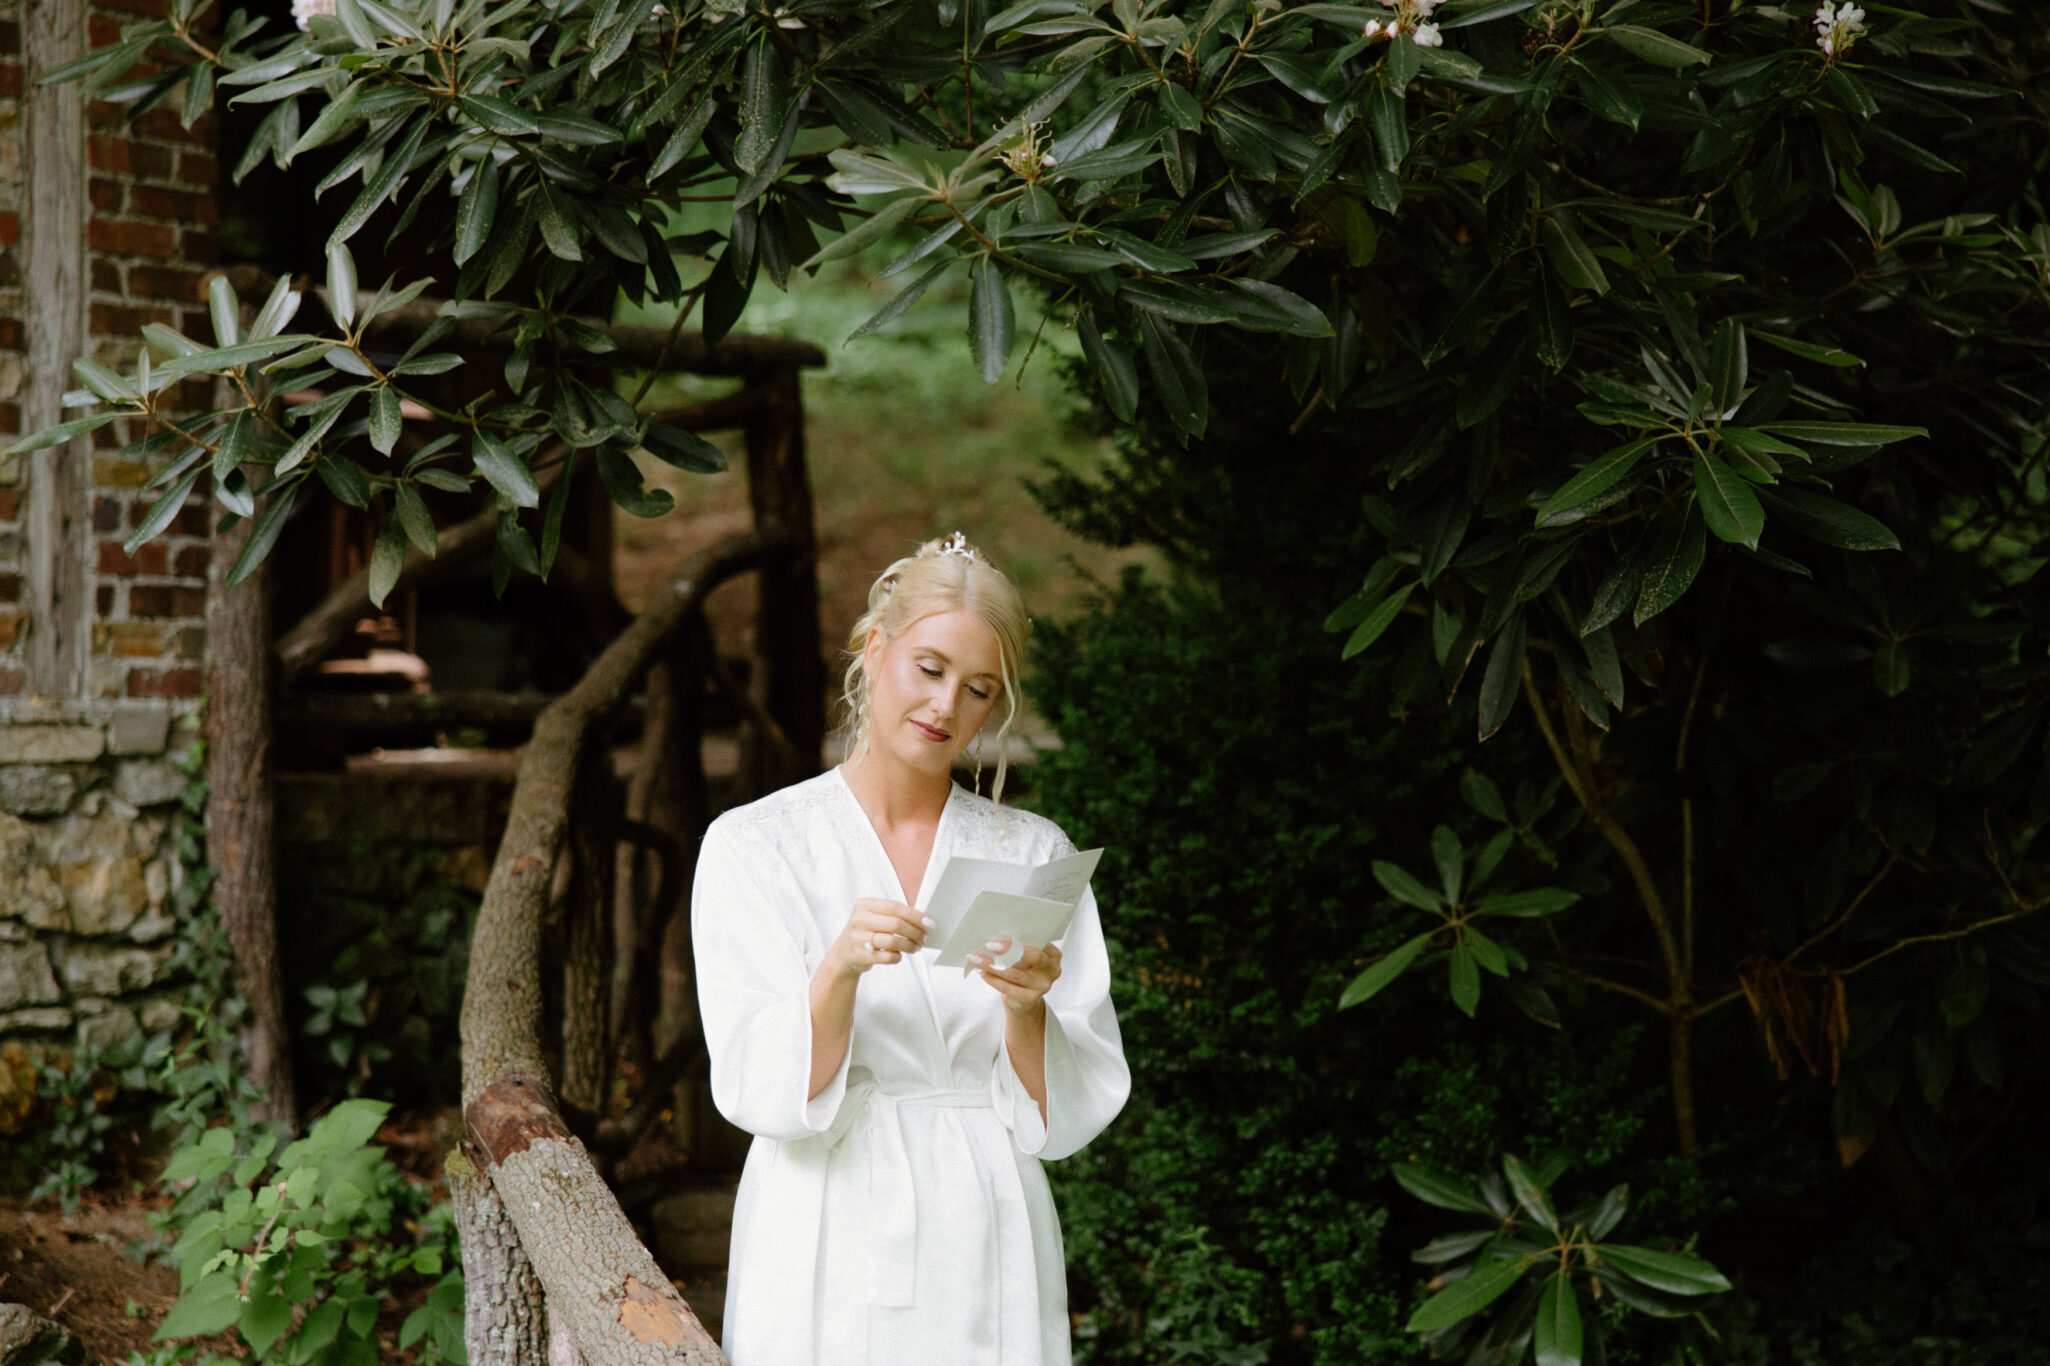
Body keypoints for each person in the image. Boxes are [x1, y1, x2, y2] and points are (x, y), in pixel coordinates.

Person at [690, 533, 1130, 1366]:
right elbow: (758, 1082)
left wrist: (1028, 1007)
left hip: (986, 1212)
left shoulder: (1032, 853)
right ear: (874, 646)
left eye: (977, 690)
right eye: (929, 669)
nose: (945, 709)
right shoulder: (756, 845)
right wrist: (837, 971)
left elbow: (1062, 1112)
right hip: (822, 1206)